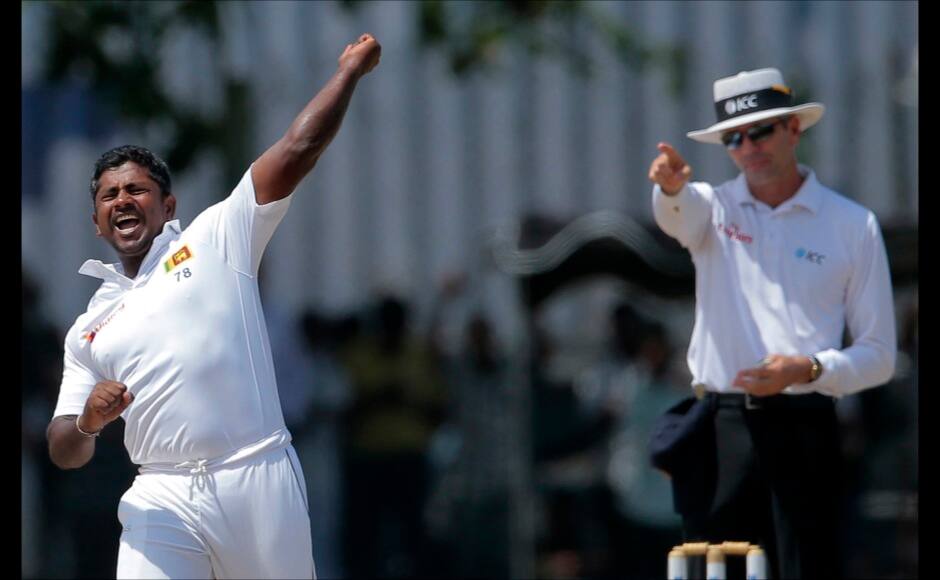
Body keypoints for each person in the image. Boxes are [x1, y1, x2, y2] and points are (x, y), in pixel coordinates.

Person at [44, 34, 381, 579]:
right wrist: (86, 423)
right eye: (109, 195)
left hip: (256, 476)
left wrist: (348, 72)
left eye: (137, 189)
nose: (122, 200)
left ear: (168, 204)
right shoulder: (88, 330)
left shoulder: (217, 238)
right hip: (161, 493)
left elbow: (297, 150)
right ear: (97, 222)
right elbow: (64, 449)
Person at [647, 67, 896, 578]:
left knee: (807, 568)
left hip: (806, 426)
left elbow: (879, 355)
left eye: (760, 131)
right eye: (734, 138)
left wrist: (806, 369)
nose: (748, 147)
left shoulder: (851, 224)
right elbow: (678, 214)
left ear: (793, 129)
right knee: (717, 570)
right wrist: (670, 188)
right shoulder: (712, 209)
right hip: (722, 428)